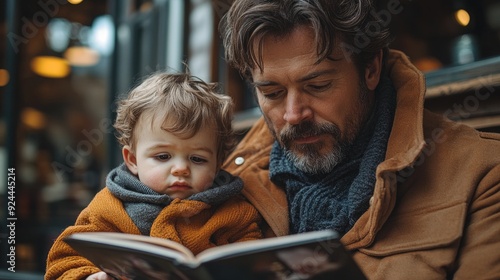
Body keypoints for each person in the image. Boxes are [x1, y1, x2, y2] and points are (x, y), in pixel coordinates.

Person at [219, 0, 500, 279]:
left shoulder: (484, 175)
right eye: (272, 93)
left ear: (371, 69)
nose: (294, 115)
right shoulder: (232, 183)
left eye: (318, 86)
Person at [45, 72, 263, 280]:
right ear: (132, 159)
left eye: (197, 159)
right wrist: (89, 275)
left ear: (217, 164)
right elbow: (65, 258)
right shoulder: (109, 206)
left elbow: (256, 263)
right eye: (163, 156)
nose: (180, 169)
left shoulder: (233, 211)